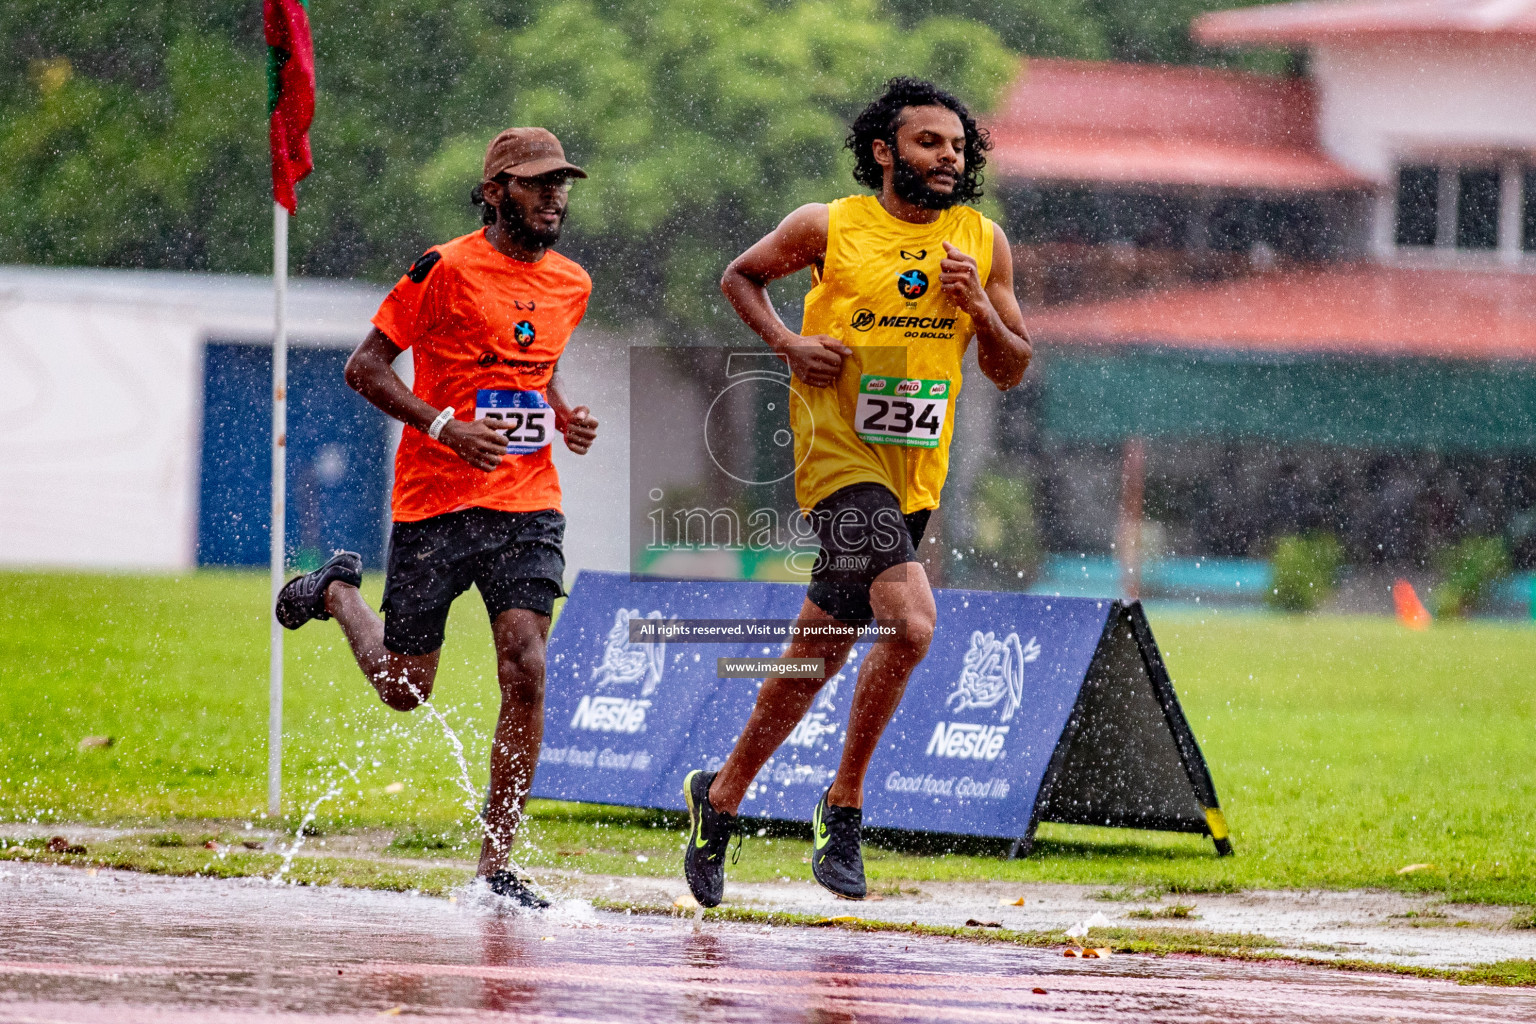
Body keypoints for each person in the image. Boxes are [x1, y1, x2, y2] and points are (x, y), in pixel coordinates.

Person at [683, 78, 1032, 906]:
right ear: (884, 151)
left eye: (956, 146)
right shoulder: (828, 226)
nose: (947, 158)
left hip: (915, 474)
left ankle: (720, 798)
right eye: (927, 144)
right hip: (839, 462)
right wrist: (789, 344)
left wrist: (979, 307)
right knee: (912, 623)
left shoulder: (983, 241)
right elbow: (740, 276)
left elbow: (1011, 368)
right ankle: (843, 806)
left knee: (817, 655)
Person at [275, 127, 599, 909]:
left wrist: (561, 413)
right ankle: (335, 594)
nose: (554, 194)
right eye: (536, 182)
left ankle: (496, 869)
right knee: (405, 690)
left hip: (528, 502)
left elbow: (532, 363)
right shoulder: (443, 268)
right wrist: (444, 425)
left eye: (562, 182)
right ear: (495, 191)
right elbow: (365, 368)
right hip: (437, 503)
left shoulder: (574, 284)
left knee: (526, 665)